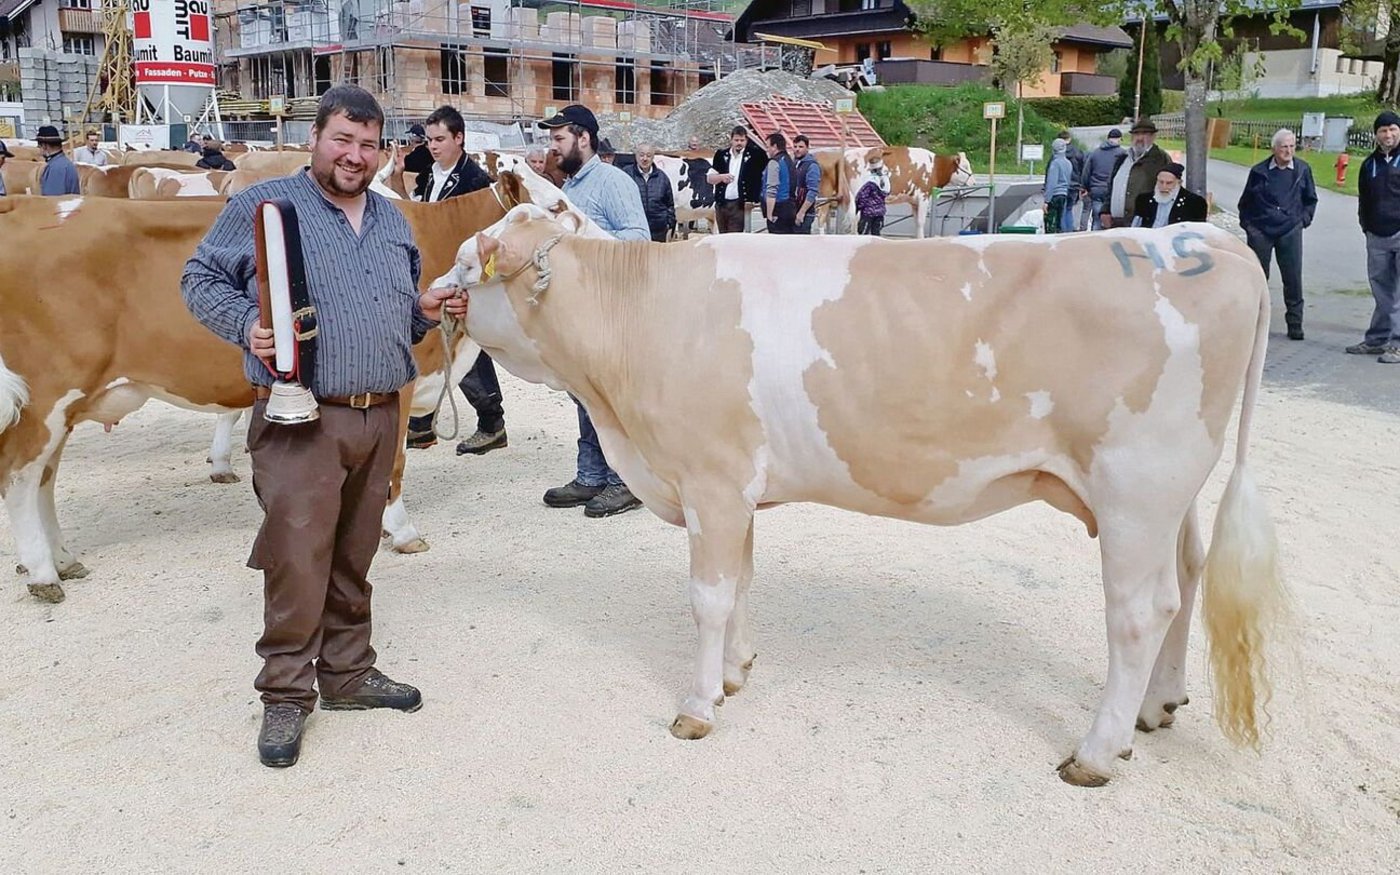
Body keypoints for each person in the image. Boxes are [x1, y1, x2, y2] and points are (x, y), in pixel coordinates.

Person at [180, 85, 467, 769]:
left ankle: (347, 672)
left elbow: (402, 314)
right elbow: (199, 278)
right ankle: (285, 692)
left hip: (379, 414)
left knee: (355, 552)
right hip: (300, 416)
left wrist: (425, 307)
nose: (354, 155)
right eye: (343, 139)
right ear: (316, 137)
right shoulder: (265, 207)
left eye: (368, 144)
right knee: (297, 558)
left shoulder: (394, 220)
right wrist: (244, 325)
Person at [537, 104, 650, 518]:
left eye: (559, 138)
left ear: (583, 139)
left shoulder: (612, 181)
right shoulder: (569, 190)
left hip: (612, 313)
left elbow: (639, 241)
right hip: (582, 317)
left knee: (611, 399)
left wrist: (583, 243)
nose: (553, 147)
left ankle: (626, 483)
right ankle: (591, 475)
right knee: (584, 396)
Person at [400, 105, 503, 455]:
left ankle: (492, 422)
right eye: (429, 139)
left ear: (459, 138)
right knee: (434, 343)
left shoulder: (474, 182)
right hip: (434, 274)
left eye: (440, 138)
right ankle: (421, 423)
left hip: (462, 277)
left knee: (464, 349)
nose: (432, 145)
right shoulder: (431, 174)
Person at [1238, 127, 1317, 341]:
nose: (1288, 151)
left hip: (1290, 230)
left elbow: (1311, 200)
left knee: (1292, 278)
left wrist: (1302, 221)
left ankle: (1295, 324)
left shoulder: (1302, 169)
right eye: (1284, 147)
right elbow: (1244, 204)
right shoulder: (1259, 171)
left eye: (1292, 146)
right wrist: (1250, 228)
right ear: (1274, 149)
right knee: (1258, 278)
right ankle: (1255, 322)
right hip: (1261, 232)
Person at [1350, 110, 1400, 363]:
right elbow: (1363, 199)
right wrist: (1365, 226)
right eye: (1383, 130)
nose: (1388, 134)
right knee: (1382, 290)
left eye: (1392, 129)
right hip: (1376, 235)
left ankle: (1397, 343)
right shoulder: (1369, 164)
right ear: (1376, 135)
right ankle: (1378, 339)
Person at [1104, 118, 1169, 228]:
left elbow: (1169, 191)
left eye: (1144, 134)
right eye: (1136, 134)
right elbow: (1111, 187)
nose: (1139, 138)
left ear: (1153, 136)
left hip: (1143, 225)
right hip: (1115, 223)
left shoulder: (1161, 160)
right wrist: (1105, 210)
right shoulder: (1122, 158)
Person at [707, 126, 767, 234]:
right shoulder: (721, 155)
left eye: (742, 140)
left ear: (746, 140)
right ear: (731, 140)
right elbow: (709, 179)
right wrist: (721, 177)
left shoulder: (755, 155)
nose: (739, 143)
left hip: (739, 203)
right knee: (722, 235)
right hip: (721, 203)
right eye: (736, 140)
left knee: (734, 235)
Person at [626, 141, 676, 242]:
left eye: (648, 156)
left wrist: (669, 223)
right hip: (634, 229)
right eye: (641, 155)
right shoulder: (626, 175)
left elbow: (669, 204)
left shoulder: (662, 178)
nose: (645, 159)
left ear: (653, 157)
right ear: (636, 156)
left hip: (658, 230)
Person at [1130, 162, 1207, 228]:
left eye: (1169, 183)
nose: (1164, 187)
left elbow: (1198, 234)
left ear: (1179, 183)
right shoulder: (1143, 200)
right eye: (1161, 182)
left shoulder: (1195, 203)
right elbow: (1135, 228)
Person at [1081, 128, 1125, 231]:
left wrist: (1085, 187)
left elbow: (1086, 172)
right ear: (1119, 139)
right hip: (1113, 191)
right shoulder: (1122, 154)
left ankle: (1095, 239)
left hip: (1096, 190)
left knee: (1096, 218)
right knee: (1110, 221)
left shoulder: (1096, 153)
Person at [762, 131, 798, 235]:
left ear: (775, 146)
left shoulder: (774, 162)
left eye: (768, 146)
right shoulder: (789, 160)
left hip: (778, 209)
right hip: (790, 207)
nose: (767, 149)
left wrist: (769, 215)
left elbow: (772, 189)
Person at [790, 134, 822, 234]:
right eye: (795, 147)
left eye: (800, 147)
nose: (797, 149)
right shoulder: (794, 163)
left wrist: (802, 212)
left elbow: (812, 191)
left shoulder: (812, 166)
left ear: (807, 148)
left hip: (805, 212)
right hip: (794, 209)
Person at [36, 125, 80, 196]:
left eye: (39, 146)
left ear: (44, 146)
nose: (39, 151)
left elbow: (52, 201)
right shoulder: (66, 163)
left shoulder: (55, 168)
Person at [854, 155, 890, 236]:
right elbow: (887, 193)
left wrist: (857, 208)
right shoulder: (885, 179)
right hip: (880, 212)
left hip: (868, 212)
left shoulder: (869, 181)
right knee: (876, 234)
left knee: (863, 234)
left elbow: (862, 197)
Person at [1043, 138, 1072, 234]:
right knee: (1059, 221)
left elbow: (1051, 183)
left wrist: (1047, 200)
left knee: (1050, 222)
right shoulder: (1068, 163)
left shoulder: (1055, 163)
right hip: (1064, 194)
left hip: (1054, 195)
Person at [1058, 130, 1084, 232]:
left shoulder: (1058, 153)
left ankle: (1062, 232)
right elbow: (1083, 169)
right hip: (1074, 185)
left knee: (1062, 210)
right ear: (1070, 139)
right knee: (1069, 209)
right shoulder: (1078, 152)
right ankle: (1069, 231)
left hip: (1062, 186)